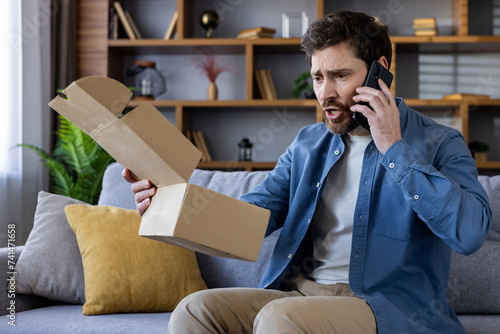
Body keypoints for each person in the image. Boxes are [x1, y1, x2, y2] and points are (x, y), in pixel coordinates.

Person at [123, 10, 491, 334]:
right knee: (195, 310)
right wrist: (169, 200)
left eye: (339, 76)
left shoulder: (440, 142)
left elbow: (470, 233)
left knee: (280, 319)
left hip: (387, 305)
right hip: (301, 292)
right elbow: (251, 216)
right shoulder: (307, 144)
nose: (324, 93)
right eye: (317, 77)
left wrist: (393, 146)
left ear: (381, 70)